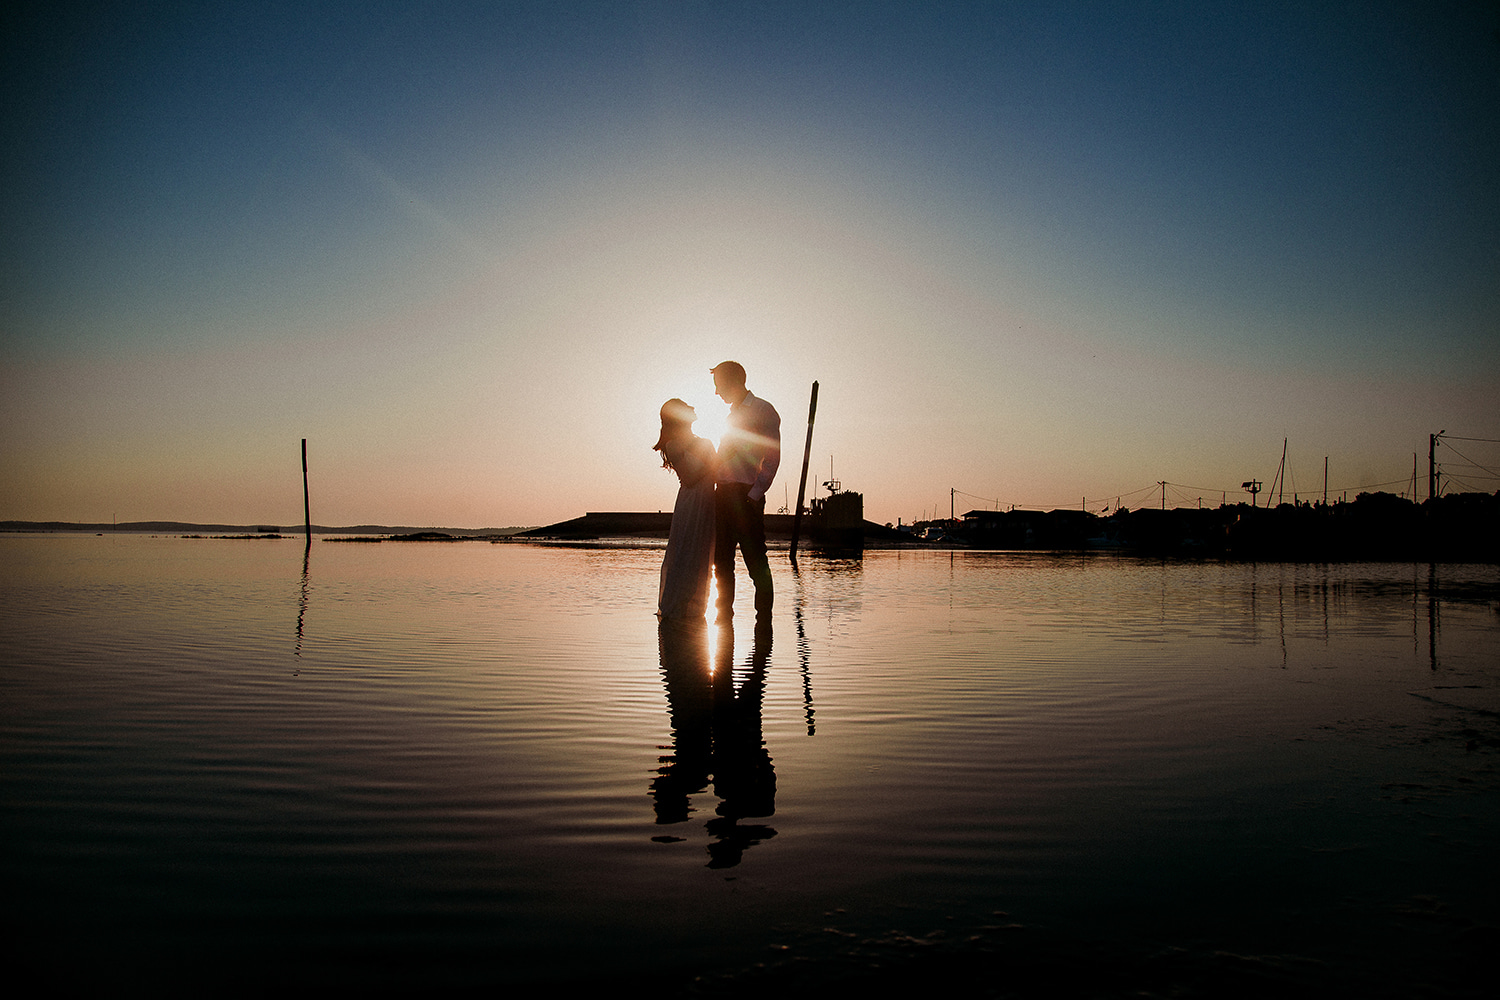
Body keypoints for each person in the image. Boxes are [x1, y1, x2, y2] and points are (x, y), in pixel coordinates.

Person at [711, 361, 780, 621]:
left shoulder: (764, 410)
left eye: (718, 385)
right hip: (723, 495)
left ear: (733, 381)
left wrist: (754, 494)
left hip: (746, 495)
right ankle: (723, 624)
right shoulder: (731, 416)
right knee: (722, 564)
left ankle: (764, 626)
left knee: (756, 564)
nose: (716, 393)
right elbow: (724, 459)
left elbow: (772, 457)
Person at [654, 398, 718, 620]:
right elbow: (690, 477)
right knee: (685, 553)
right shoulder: (673, 444)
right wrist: (713, 464)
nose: (693, 409)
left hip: (709, 500)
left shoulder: (704, 441)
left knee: (702, 555)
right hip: (691, 502)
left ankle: (695, 609)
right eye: (687, 408)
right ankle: (678, 610)